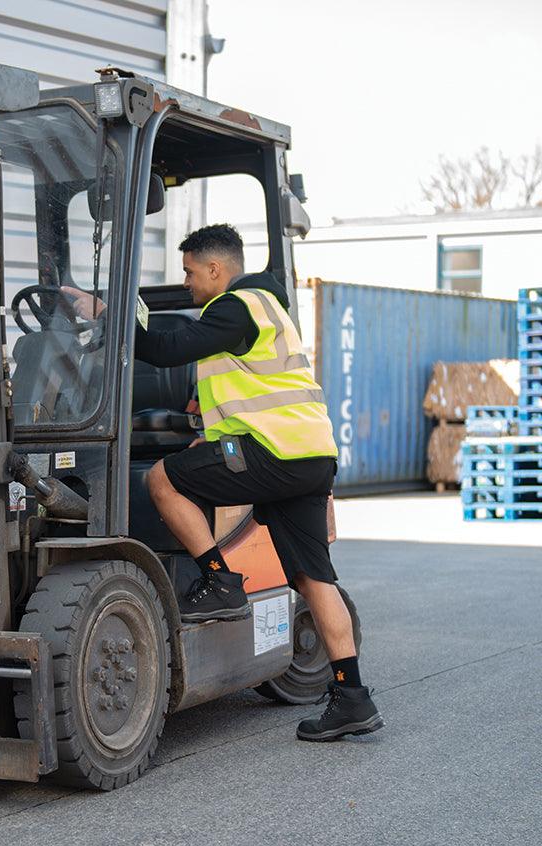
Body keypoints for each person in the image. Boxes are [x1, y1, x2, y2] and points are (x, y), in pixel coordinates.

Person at [62, 224, 383, 742]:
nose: (186, 283)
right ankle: (353, 697)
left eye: (190, 273)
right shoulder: (267, 309)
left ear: (216, 270)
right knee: (314, 580)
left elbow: (165, 348)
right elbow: (251, 393)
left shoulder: (235, 307)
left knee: (165, 480)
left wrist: (104, 312)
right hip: (307, 455)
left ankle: (219, 581)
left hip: (272, 452)